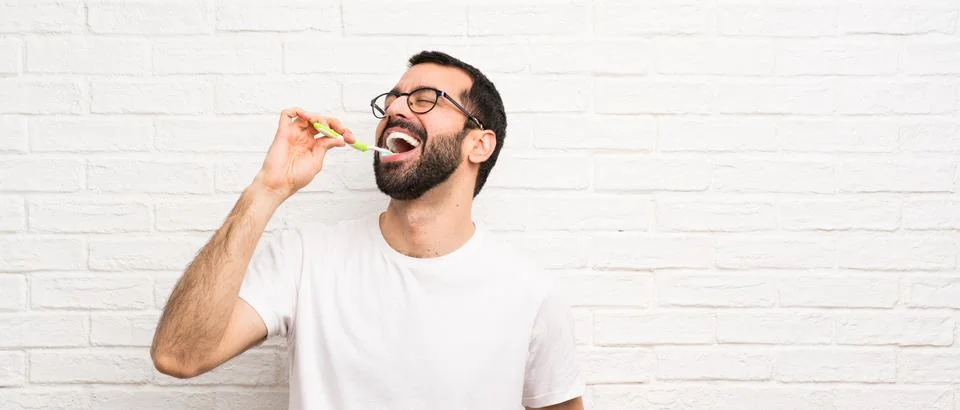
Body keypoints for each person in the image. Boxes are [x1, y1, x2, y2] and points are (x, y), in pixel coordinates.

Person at [150, 51, 585, 410]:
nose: (395, 108)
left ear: (479, 144)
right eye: (393, 99)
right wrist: (268, 189)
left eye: (424, 99)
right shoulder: (305, 259)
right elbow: (179, 354)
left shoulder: (530, 293)